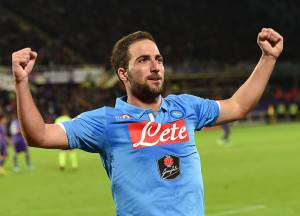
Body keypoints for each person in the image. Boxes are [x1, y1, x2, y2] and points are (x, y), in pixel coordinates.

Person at [11, 28, 283, 216]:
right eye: (143, 60)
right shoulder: (106, 122)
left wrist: (268, 58)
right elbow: (40, 136)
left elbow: (237, 105)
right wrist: (22, 83)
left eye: (158, 59)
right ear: (123, 74)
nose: (155, 66)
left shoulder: (185, 107)